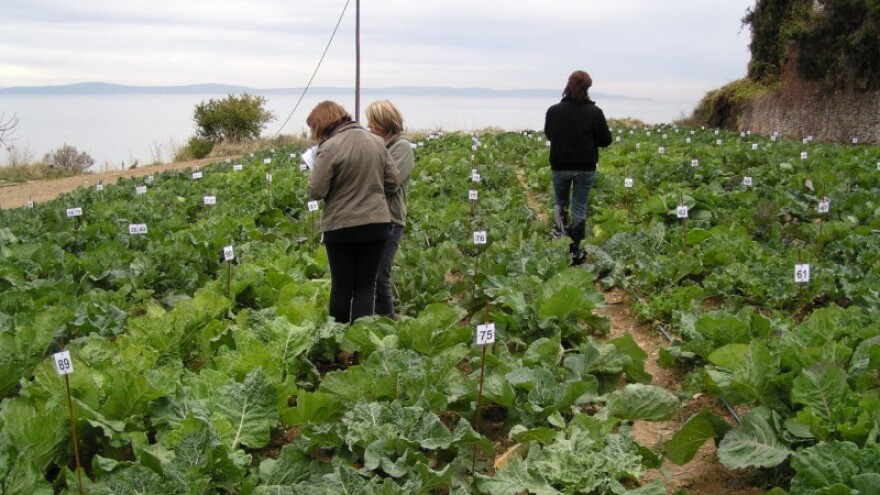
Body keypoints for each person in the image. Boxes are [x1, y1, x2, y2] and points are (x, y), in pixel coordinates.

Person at [306, 101, 399, 323]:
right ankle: (359, 345)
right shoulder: (377, 142)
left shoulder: (329, 147)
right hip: (376, 225)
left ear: (321, 124)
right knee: (366, 287)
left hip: (341, 227)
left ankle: (338, 343)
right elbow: (393, 182)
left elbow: (316, 191)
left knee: (342, 288)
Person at [544, 70, 612, 264]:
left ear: (568, 85)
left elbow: (549, 134)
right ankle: (576, 251)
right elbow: (605, 140)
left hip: (560, 165)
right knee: (580, 207)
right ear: (588, 88)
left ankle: (561, 243)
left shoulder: (554, 110)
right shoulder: (595, 112)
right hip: (585, 167)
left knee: (560, 203)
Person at [365, 100, 415, 319]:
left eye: (373, 122)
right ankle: (377, 319)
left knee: (379, 275)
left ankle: (388, 321)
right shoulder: (379, 145)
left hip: (391, 219)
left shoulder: (401, 147)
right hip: (373, 218)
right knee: (370, 275)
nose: (369, 126)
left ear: (385, 123)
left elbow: (390, 183)